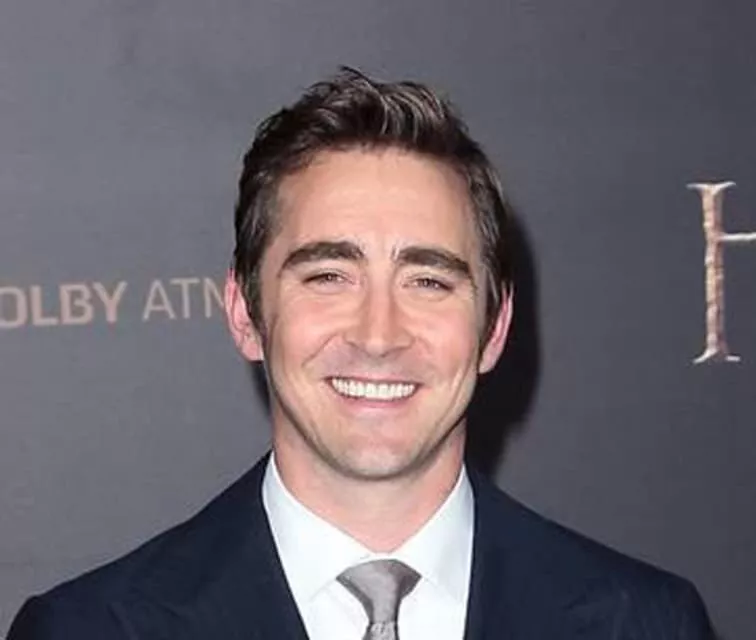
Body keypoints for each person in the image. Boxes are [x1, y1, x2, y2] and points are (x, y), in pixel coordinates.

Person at [8, 68, 713, 640]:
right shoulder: (87, 630)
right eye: (328, 277)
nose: (379, 335)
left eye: (428, 281)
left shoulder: (644, 624)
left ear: (495, 328)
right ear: (245, 313)